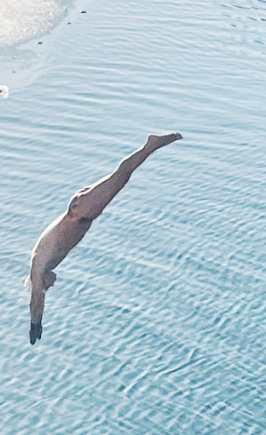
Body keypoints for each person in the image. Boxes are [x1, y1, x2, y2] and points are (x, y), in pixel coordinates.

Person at [27, 133, 182, 345]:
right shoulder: (40, 266)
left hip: (80, 213)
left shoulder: (38, 271)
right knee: (119, 178)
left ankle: (151, 145)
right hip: (80, 211)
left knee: (122, 176)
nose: (52, 285)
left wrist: (35, 325)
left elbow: (36, 300)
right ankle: (150, 146)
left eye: (48, 285)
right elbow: (38, 296)